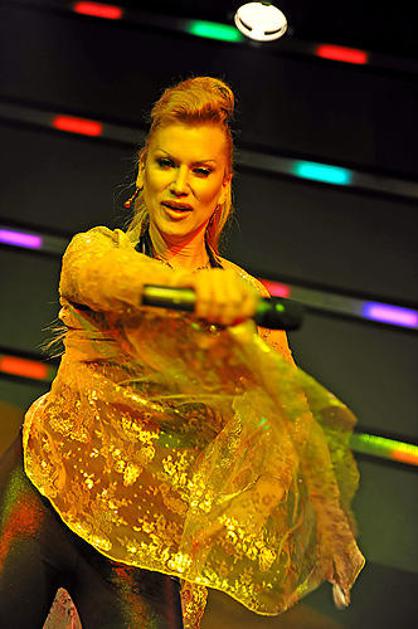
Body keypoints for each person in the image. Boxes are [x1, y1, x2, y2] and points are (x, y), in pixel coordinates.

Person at [0, 76, 365, 628]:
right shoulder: (96, 251)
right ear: (142, 169)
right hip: (43, 493)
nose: (180, 185)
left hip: (145, 550)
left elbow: (293, 418)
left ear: (224, 185)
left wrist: (332, 527)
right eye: (167, 163)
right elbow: (107, 279)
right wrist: (192, 295)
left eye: (201, 170)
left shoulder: (244, 300)